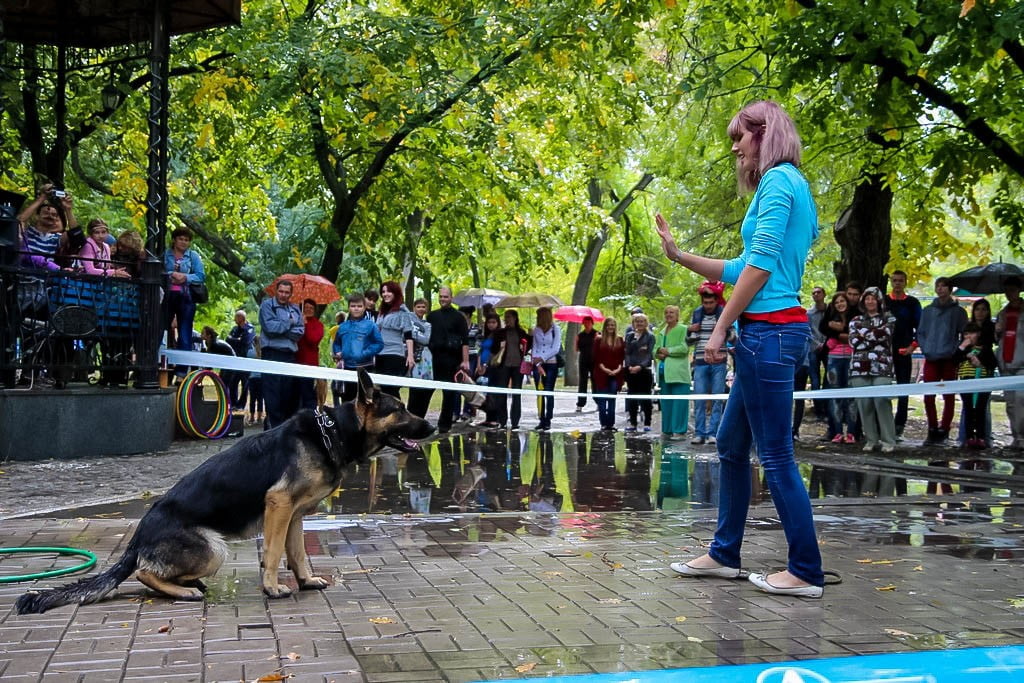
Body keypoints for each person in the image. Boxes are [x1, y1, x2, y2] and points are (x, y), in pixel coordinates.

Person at [656, 100, 824, 597]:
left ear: (764, 133)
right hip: (767, 334)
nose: (735, 147)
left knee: (775, 455)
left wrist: (719, 327)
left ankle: (805, 572)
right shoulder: (791, 186)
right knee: (731, 445)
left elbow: (761, 267)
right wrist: (679, 255)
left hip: (769, 333)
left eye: (740, 137)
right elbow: (739, 266)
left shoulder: (779, 181)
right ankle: (724, 554)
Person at [916, 277, 968, 445]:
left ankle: (944, 429)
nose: (940, 289)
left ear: (950, 289)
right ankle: (932, 428)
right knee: (928, 395)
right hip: (931, 357)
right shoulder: (928, 311)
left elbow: (964, 334)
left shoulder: (958, 312)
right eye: (938, 286)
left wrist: (955, 351)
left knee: (949, 396)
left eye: (944, 286)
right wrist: (925, 348)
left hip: (949, 359)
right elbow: (921, 332)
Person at [848, 287, 897, 453]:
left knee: (881, 402)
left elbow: (885, 334)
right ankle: (871, 439)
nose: (870, 302)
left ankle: (889, 440)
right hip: (859, 368)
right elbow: (854, 341)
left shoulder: (888, 318)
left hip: (882, 367)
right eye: (867, 298)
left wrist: (865, 335)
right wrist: (873, 337)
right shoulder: (855, 320)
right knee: (864, 404)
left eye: (873, 298)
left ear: (879, 301)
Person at [688, 285, 732, 444]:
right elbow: (689, 341)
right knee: (699, 398)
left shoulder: (723, 313)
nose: (708, 306)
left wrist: (724, 331)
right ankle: (699, 433)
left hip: (719, 362)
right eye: (705, 303)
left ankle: (713, 433)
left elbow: (732, 336)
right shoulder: (697, 313)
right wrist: (689, 330)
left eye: (711, 303)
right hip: (700, 361)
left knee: (717, 399)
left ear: (716, 301)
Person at [259, 279, 304, 429]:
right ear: (276, 291)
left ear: (291, 294)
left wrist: (283, 329)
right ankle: (273, 428)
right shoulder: (267, 306)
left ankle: (285, 429)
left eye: (287, 292)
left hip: (289, 355)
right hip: (272, 354)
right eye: (281, 291)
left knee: (288, 394)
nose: (283, 295)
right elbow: (270, 329)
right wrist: (290, 323)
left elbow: (299, 333)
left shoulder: (295, 309)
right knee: (273, 395)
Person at [163, 226, 206, 378]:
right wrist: (171, 274)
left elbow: (200, 276)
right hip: (167, 297)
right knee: (163, 331)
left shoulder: (193, 256)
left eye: (186, 240)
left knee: (185, 333)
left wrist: (185, 277)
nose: (183, 242)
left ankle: (182, 371)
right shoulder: (166, 254)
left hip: (186, 298)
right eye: (181, 239)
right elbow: (158, 271)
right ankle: (162, 366)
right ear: (174, 240)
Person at [426, 286, 470, 434]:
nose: (443, 299)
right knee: (426, 391)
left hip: (452, 359)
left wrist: (465, 361)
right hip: (434, 359)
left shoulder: (459, 317)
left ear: (451, 298)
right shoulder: (432, 316)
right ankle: (419, 420)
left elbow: (465, 341)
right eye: (441, 296)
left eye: (445, 296)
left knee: (449, 393)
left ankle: (445, 424)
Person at [885, 270, 922, 437]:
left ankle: (899, 423)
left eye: (900, 280)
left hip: (904, 351)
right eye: (894, 280)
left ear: (905, 282)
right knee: (882, 387)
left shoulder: (912, 303)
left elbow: (921, 328)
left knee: (903, 388)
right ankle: (882, 423)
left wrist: (912, 346)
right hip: (884, 352)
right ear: (891, 282)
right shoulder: (884, 301)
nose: (897, 283)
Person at [332, 293, 383, 403]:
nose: (356, 309)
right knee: (347, 401)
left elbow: (379, 344)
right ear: (349, 307)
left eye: (359, 306)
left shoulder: (371, 325)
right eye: (353, 306)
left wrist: (364, 353)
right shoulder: (342, 327)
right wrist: (338, 352)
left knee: (365, 401)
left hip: (365, 369)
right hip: (347, 368)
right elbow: (336, 343)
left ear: (364, 308)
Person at [821, 291, 857, 443]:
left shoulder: (856, 317)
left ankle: (851, 432)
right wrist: (839, 335)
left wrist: (840, 333)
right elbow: (824, 328)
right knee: (834, 395)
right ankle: (836, 431)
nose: (840, 304)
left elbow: (855, 335)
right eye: (837, 303)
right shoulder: (829, 319)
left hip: (851, 358)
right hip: (833, 358)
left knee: (851, 396)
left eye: (842, 301)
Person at [955, 322, 997, 449]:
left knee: (980, 410)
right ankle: (968, 437)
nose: (968, 337)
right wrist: (962, 348)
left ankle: (980, 437)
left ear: (978, 334)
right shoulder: (962, 350)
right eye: (966, 334)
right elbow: (954, 360)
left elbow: (992, 364)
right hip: (965, 383)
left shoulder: (985, 350)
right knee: (968, 409)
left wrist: (979, 362)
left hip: (982, 383)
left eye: (971, 334)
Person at [996, 277, 1024, 449]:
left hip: (1022, 362)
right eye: (1007, 291)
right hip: (1006, 362)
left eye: (1012, 290)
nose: (1009, 294)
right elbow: (998, 339)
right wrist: (998, 330)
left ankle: (1022, 436)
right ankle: (1016, 437)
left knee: (1021, 400)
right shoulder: (1002, 313)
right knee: (1011, 404)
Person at [375, 281, 415, 400]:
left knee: (391, 389)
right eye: (383, 292)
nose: (385, 294)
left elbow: (408, 335)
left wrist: (410, 356)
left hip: (394, 354)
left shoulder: (402, 312)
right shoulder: (382, 311)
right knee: (382, 388)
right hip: (380, 353)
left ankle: (399, 415)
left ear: (395, 293)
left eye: (388, 291)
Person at [656, 305, 691, 438]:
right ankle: (667, 430)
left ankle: (680, 430)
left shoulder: (683, 329)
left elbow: (684, 348)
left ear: (677, 315)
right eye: (666, 312)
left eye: (672, 312)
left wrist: (668, 351)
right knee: (666, 403)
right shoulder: (661, 331)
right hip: (664, 373)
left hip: (679, 374)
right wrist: (658, 353)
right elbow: (655, 349)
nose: (668, 315)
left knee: (680, 403)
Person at [493, 309, 531, 429]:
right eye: (505, 317)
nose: (506, 320)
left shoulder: (521, 333)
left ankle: (515, 421)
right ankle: (502, 420)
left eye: (509, 317)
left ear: (515, 318)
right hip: (504, 365)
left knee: (516, 393)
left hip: (517, 366)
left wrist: (531, 336)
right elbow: (494, 349)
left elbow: (528, 347)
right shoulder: (500, 333)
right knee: (501, 394)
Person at [530, 306, 561, 431]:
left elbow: (555, 348)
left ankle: (548, 418)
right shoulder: (536, 330)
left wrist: (542, 358)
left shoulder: (555, 329)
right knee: (540, 391)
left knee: (548, 391)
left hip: (551, 363)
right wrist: (537, 364)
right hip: (538, 365)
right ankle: (541, 418)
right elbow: (535, 347)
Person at [624, 312, 655, 432]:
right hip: (631, 371)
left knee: (645, 398)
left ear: (646, 323)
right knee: (632, 397)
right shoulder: (630, 336)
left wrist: (640, 366)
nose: (639, 323)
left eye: (642, 321)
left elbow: (649, 354)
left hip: (644, 371)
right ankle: (632, 423)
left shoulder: (650, 336)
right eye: (637, 321)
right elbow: (627, 352)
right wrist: (629, 366)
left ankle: (647, 422)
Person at [592, 317, 624, 431]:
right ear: (605, 326)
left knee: (612, 399)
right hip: (601, 373)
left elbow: (622, 357)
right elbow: (596, 357)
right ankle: (603, 424)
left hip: (616, 373)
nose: (611, 327)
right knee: (602, 400)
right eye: (609, 325)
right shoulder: (598, 340)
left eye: (613, 325)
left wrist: (618, 369)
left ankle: (611, 424)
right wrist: (604, 369)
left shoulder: (620, 340)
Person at [406, 298, 434, 417]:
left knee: (425, 387)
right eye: (418, 307)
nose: (421, 309)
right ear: (414, 308)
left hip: (424, 358)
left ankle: (421, 416)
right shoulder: (408, 320)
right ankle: (410, 415)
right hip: (411, 357)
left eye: (423, 307)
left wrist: (413, 334)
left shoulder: (427, 325)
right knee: (414, 389)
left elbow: (426, 339)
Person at [476, 313, 504, 427]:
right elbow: (480, 350)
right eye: (489, 322)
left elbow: (496, 351)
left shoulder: (499, 335)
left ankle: (495, 417)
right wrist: (479, 365)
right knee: (485, 393)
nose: (491, 325)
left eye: (493, 322)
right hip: (483, 365)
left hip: (493, 366)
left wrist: (486, 364)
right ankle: (488, 417)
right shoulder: (485, 336)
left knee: (493, 393)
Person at [806, 285, 829, 421]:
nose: (816, 295)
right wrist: (817, 344)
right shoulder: (808, 314)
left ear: (824, 294)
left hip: (828, 347)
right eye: (813, 293)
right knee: (815, 379)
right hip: (813, 348)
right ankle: (819, 410)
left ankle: (827, 407)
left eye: (818, 292)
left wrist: (825, 343)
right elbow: (808, 332)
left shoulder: (830, 311)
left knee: (829, 378)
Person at [296, 298, 324, 409]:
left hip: (309, 363)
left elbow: (313, 340)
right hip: (295, 361)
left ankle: (310, 417)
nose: (308, 310)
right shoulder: (296, 321)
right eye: (306, 307)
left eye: (311, 308)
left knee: (307, 393)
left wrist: (305, 325)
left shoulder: (318, 325)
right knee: (294, 394)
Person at [458, 305, 482, 421]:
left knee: (468, 382)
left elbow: (479, 347)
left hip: (472, 357)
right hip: (459, 356)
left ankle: (467, 410)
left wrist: (478, 363)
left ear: (467, 315)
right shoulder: (456, 327)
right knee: (457, 382)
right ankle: (454, 411)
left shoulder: (476, 328)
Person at [575, 315, 599, 412]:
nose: (587, 324)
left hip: (594, 360)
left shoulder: (596, 333)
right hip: (583, 360)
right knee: (582, 382)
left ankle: (598, 401)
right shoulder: (580, 335)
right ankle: (580, 403)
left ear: (592, 323)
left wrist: (598, 338)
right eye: (585, 322)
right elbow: (576, 349)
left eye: (589, 322)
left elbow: (600, 347)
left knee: (595, 381)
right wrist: (576, 341)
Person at [247, 339, 265, 426]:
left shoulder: (250, 352)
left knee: (252, 399)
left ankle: (251, 417)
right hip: (261, 378)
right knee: (260, 399)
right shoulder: (263, 352)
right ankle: (259, 417)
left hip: (252, 378)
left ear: (253, 343)